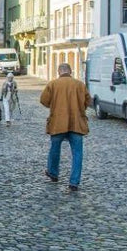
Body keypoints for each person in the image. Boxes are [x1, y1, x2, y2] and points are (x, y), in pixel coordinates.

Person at [39, 62, 91, 191]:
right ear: (70, 71)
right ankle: (74, 182)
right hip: (77, 123)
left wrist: (55, 106)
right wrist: (79, 109)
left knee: (55, 149)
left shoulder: (53, 84)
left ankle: (53, 173)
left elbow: (44, 100)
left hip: (58, 122)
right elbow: (88, 101)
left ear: (58, 72)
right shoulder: (80, 85)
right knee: (78, 153)